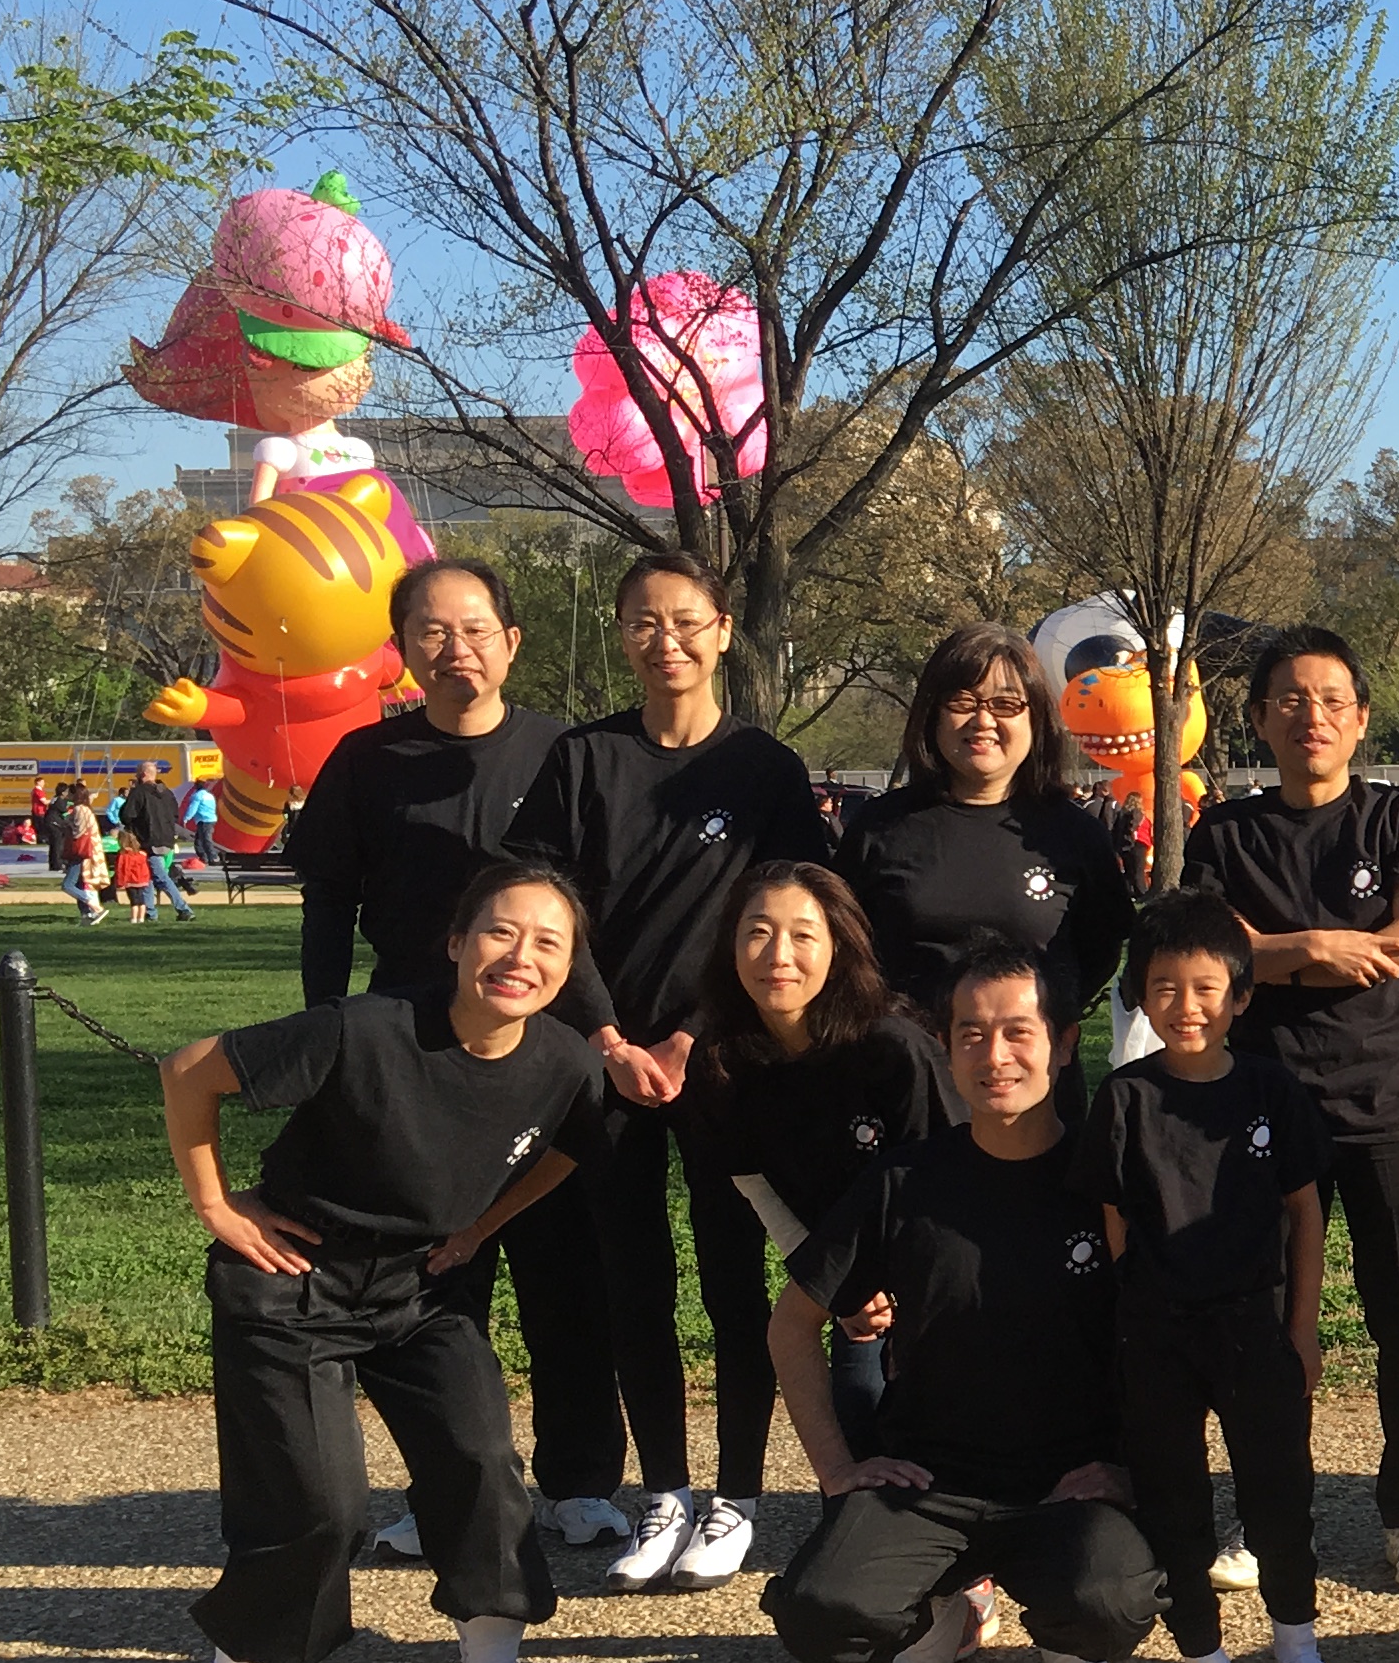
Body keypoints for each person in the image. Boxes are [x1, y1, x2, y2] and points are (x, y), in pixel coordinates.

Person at [161, 861, 606, 1663]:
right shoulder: (363, 1028)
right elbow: (188, 1071)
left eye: (548, 943)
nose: (520, 956)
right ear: (457, 942)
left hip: (421, 1289)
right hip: (292, 1278)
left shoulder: (564, 1060)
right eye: (500, 932)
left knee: (481, 1460)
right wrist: (216, 1205)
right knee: (318, 1501)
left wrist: (480, 1227)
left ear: (568, 969)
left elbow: (571, 1148)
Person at [506, 551, 834, 1559]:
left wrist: (693, 1033)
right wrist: (607, 1036)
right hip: (603, 1062)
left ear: (723, 631)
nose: (667, 641)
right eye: (644, 622)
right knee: (631, 1282)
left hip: (725, 1060)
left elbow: (791, 919)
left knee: (734, 1279)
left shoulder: (765, 770)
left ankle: (736, 1497)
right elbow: (545, 910)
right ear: (622, 635)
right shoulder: (583, 758)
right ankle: (664, 1491)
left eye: (687, 620)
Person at [290, 555, 608, 1548]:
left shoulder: (564, 754)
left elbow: (595, 913)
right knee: (428, 1284)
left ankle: (580, 1482)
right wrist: (324, 1032)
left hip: (543, 1049)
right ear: (402, 650)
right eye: (432, 630)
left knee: (564, 1271)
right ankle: (449, 1496)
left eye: (475, 629)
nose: (455, 648)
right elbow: (327, 903)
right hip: (411, 1049)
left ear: (512, 643)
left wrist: (602, 1030)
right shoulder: (366, 760)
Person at [760, 944, 1163, 1663]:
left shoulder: (1108, 1179)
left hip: (1069, 1484)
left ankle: (1066, 1640)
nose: (994, 1055)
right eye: (971, 1034)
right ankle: (938, 1618)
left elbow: (1165, 1337)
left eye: (1017, 1032)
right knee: (822, 1617)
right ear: (945, 1048)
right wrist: (838, 1470)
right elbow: (791, 1326)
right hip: (929, 1482)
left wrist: (1130, 1469)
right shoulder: (903, 1181)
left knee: (1110, 1602)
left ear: (1064, 1042)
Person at [1181, 625, 1399, 1590]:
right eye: (1292, 701)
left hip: (1383, 1102)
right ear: (1260, 719)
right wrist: (1322, 948)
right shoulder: (1225, 835)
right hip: (1255, 1110)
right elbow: (1212, 957)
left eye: (1333, 700)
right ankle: (1263, 1513)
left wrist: (1273, 952)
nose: (1313, 717)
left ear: (1362, 718)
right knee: (1259, 1317)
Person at [1084, 890, 1339, 1663]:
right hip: (1157, 1332)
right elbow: (1112, 1220)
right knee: (1175, 1502)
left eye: (1205, 989)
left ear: (1241, 995)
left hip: (1255, 1324)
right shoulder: (1124, 1097)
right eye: (1164, 987)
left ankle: (1296, 1643)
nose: (1185, 1007)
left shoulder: (1271, 1089)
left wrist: (1301, 1329)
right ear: (1140, 994)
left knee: (1279, 1493)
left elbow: (1305, 1212)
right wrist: (1133, 1317)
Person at [663, 862, 962, 1585]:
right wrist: (839, 1289)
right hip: (844, 1273)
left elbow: (954, 1187)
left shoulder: (893, 1047)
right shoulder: (720, 1060)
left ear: (839, 947)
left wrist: (900, 1292)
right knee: (857, 1449)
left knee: (934, 1429)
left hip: (938, 1273)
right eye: (758, 933)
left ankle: (967, 1567)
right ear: (729, 945)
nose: (779, 955)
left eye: (803, 935)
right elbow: (754, 1186)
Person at [837, 622, 1135, 1038]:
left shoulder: (1076, 834)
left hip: (1031, 1066)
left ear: (1036, 718)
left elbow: (1100, 952)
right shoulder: (880, 826)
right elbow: (845, 951)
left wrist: (1038, 1023)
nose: (982, 720)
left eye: (1005, 704)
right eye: (962, 702)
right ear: (932, 714)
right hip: (907, 1064)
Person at [121, 770, 193, 920]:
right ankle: (150, 912)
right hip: (166, 839)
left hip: (148, 840)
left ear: (143, 775)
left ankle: (184, 909)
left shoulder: (139, 792)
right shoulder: (167, 793)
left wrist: (135, 827)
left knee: (160, 876)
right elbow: (175, 815)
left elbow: (126, 815)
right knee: (147, 877)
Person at [55, 782, 105, 924]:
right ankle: (86, 915)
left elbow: (79, 831)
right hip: (86, 851)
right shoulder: (85, 808)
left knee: (68, 885)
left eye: (70, 793)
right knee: (79, 883)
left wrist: (66, 823)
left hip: (79, 851)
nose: (67, 796)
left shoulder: (79, 809)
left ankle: (94, 906)